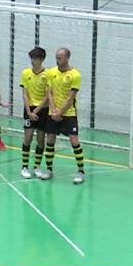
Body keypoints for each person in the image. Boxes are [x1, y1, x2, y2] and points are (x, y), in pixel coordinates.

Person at [40, 47, 85, 184]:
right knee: (50, 140)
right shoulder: (51, 72)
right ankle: (49, 169)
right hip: (53, 113)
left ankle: (81, 171)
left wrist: (60, 112)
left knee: (74, 141)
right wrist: (53, 111)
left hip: (69, 113)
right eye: (56, 57)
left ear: (67, 58)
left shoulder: (75, 75)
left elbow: (71, 98)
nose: (57, 60)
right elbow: (50, 93)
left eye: (60, 58)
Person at [19, 47, 49, 179]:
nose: (33, 61)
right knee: (28, 137)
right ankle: (24, 166)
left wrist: (36, 111)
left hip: (42, 110)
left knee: (41, 139)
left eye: (35, 58)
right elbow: (25, 94)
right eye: (32, 58)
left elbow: (48, 96)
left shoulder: (47, 75)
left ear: (41, 60)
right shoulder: (25, 73)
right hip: (29, 109)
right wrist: (29, 111)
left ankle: (37, 166)